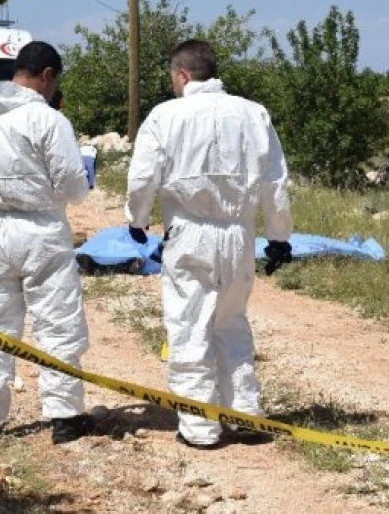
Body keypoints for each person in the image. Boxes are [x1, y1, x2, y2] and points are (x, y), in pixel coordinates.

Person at [125, 39, 294, 449]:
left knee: (188, 326)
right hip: (239, 233)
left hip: (190, 232)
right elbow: (275, 182)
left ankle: (200, 428)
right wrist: (279, 237)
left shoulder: (166, 115)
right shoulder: (254, 113)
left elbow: (143, 176)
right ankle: (245, 414)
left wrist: (138, 220)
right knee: (231, 323)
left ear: (182, 75)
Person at [0, 41, 94, 445]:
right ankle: (65, 415)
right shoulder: (49, 120)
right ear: (47, 75)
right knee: (57, 323)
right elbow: (73, 187)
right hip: (41, 230)